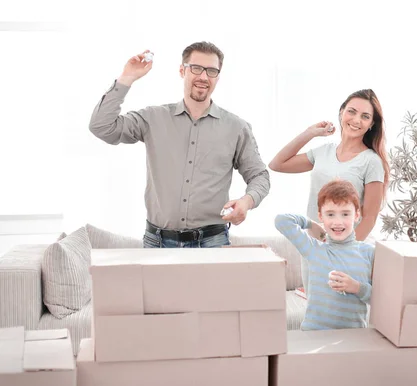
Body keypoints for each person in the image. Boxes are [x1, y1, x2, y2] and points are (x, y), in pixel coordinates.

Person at [89, 42, 270, 248]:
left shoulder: (237, 127)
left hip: (212, 243)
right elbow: (101, 126)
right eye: (196, 68)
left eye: (211, 71)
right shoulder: (153, 118)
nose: (203, 77)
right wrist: (126, 78)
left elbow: (260, 176)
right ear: (182, 70)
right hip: (157, 243)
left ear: (218, 77)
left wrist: (247, 202)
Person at [269, 89, 388, 288]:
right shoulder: (323, 152)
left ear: (371, 125)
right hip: (315, 249)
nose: (357, 120)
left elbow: (369, 216)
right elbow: (277, 164)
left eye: (365, 116)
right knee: (314, 311)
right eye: (352, 111)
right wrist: (310, 133)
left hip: (345, 254)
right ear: (341, 112)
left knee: (341, 315)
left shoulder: (372, 162)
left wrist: (342, 251)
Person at [274, 180, 374, 330]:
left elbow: (383, 300)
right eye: (330, 214)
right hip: (313, 335)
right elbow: (282, 221)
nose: (338, 222)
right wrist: (311, 224)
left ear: (357, 215)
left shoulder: (369, 252)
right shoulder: (314, 249)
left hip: (353, 339)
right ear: (321, 216)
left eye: (345, 214)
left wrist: (357, 287)